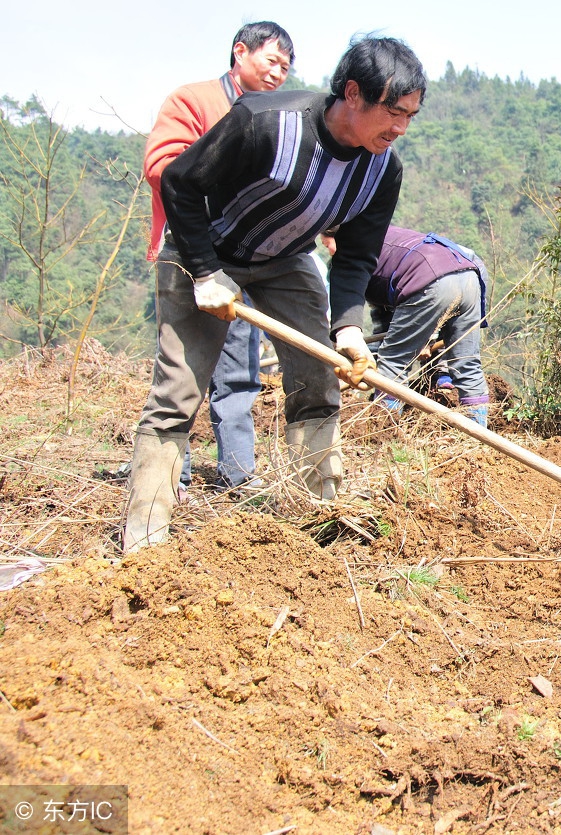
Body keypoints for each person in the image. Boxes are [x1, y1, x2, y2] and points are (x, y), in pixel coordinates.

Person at [123, 35, 426, 554]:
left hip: (286, 260)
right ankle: (145, 544)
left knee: (316, 385)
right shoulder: (265, 121)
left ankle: (323, 523)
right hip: (204, 249)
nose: (399, 128)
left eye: (410, 117)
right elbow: (177, 182)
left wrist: (348, 325)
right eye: (392, 112)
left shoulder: (383, 170)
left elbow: (355, 255)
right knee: (177, 397)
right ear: (352, 93)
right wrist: (204, 272)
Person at [143, 21, 295, 494]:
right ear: (240, 52)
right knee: (184, 373)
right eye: (271, 61)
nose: (278, 74)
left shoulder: (276, 116)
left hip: (244, 257)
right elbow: (162, 167)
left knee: (238, 370)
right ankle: (172, 480)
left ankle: (238, 474)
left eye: (286, 68)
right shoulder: (195, 100)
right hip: (192, 253)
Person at [361, 226, 491, 427]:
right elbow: (386, 323)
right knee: (467, 363)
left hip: (432, 282)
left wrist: (427, 339)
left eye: (328, 243)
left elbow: (391, 334)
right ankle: (479, 437)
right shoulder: (384, 237)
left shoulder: (358, 257)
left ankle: (382, 432)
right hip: (471, 278)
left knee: (393, 361)